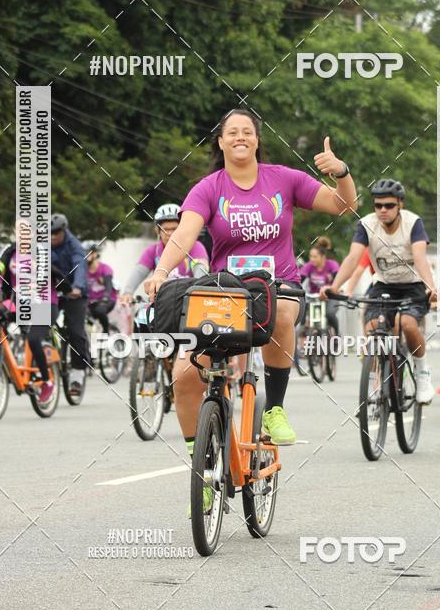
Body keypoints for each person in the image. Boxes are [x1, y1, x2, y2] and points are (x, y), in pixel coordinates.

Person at [144, 107, 357, 455]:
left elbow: (343, 206)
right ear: (221, 142)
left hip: (278, 285)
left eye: (247, 131)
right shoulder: (208, 188)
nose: (240, 137)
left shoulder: (285, 179)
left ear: (257, 140)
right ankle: (201, 462)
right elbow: (183, 235)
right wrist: (161, 272)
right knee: (183, 375)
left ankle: (274, 408)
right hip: (226, 292)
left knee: (282, 314)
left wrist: (342, 174)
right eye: (232, 132)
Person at [324, 178, 436, 404]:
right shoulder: (366, 224)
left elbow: (420, 258)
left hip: (412, 285)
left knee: (407, 324)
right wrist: (335, 286)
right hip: (384, 285)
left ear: (400, 205)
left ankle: (422, 374)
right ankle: (378, 379)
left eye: (389, 205)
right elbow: (353, 257)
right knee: (373, 328)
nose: (383, 210)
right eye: (378, 205)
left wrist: (430, 287)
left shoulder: (413, 223)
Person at [0, 230, 58, 404]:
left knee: (33, 339)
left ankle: (47, 381)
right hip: (19, 303)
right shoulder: (9, 251)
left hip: (44, 304)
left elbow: (52, 273)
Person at [120, 203, 210, 301]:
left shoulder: (195, 247)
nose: (170, 233)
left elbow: (200, 270)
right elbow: (139, 272)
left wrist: (198, 291)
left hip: (187, 301)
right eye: (165, 229)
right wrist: (127, 293)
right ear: (158, 231)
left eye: (174, 229)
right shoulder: (152, 251)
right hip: (160, 303)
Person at [50, 213, 91, 398]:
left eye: (56, 233)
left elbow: (80, 266)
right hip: (53, 292)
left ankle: (77, 373)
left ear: (64, 231)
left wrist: (77, 287)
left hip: (75, 293)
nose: (52, 237)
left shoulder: (74, 245)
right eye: (49, 233)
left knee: (75, 331)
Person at [84, 241, 117, 333]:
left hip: (107, 300)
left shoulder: (105, 268)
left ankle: (106, 332)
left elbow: (108, 285)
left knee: (100, 310)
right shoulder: (82, 270)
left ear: (94, 254)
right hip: (90, 302)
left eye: (87, 253)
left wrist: (106, 296)